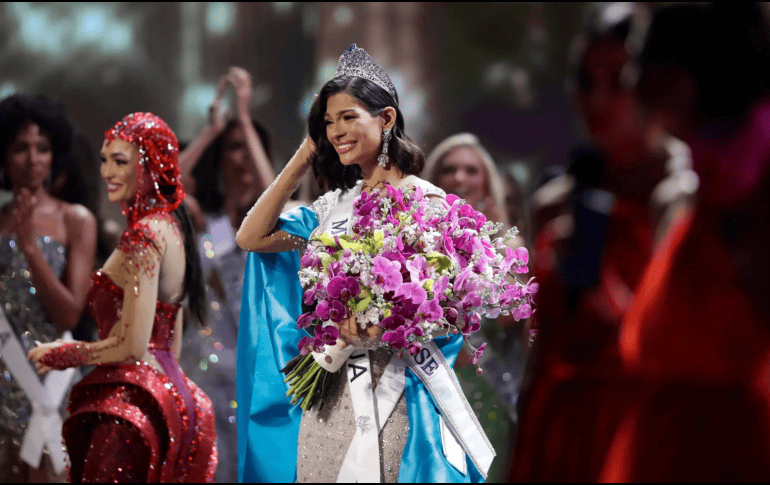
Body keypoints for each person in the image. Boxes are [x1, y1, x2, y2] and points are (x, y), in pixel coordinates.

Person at [235, 44, 493, 483]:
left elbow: (451, 311)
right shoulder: (332, 208)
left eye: (348, 117)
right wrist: (305, 153)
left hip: (401, 395)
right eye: (328, 122)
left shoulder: (428, 203)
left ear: (386, 118)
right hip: (331, 400)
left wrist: (386, 328)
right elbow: (251, 237)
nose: (336, 131)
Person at [511, 3, 697, 481]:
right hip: (559, 428)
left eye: (618, 81)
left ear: (653, 84)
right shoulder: (554, 203)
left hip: (641, 430)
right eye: (585, 81)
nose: (597, 99)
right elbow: (539, 345)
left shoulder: (688, 193)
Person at [600, 3, 770, 481]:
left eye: (640, 61)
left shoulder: (754, 201)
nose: (630, 82)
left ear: (682, 81)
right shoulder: (686, 197)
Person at [27, 112, 217, 482]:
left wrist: (65, 354)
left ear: (150, 166)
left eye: (119, 162)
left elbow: (131, 347)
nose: (107, 172)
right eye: (104, 160)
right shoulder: (171, 228)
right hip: (174, 398)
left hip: (131, 406)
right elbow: (171, 344)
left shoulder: (144, 237)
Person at [176, 66, 276, 484]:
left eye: (250, 146)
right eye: (233, 148)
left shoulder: (280, 228)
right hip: (205, 382)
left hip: (264, 381)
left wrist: (245, 117)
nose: (243, 157)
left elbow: (275, 193)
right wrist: (209, 133)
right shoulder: (205, 224)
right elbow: (161, 188)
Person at [0, 94, 97, 482]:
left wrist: (29, 248)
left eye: (42, 147)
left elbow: (70, 314)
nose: (33, 159)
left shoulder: (75, 219)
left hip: (52, 386)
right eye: (20, 148)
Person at [424, 134, 527, 482]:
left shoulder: (508, 246)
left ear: (486, 181)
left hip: (486, 390)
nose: (459, 178)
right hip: (427, 388)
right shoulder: (412, 239)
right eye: (449, 169)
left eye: (471, 170)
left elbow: (514, 319)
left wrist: (491, 258)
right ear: (433, 178)